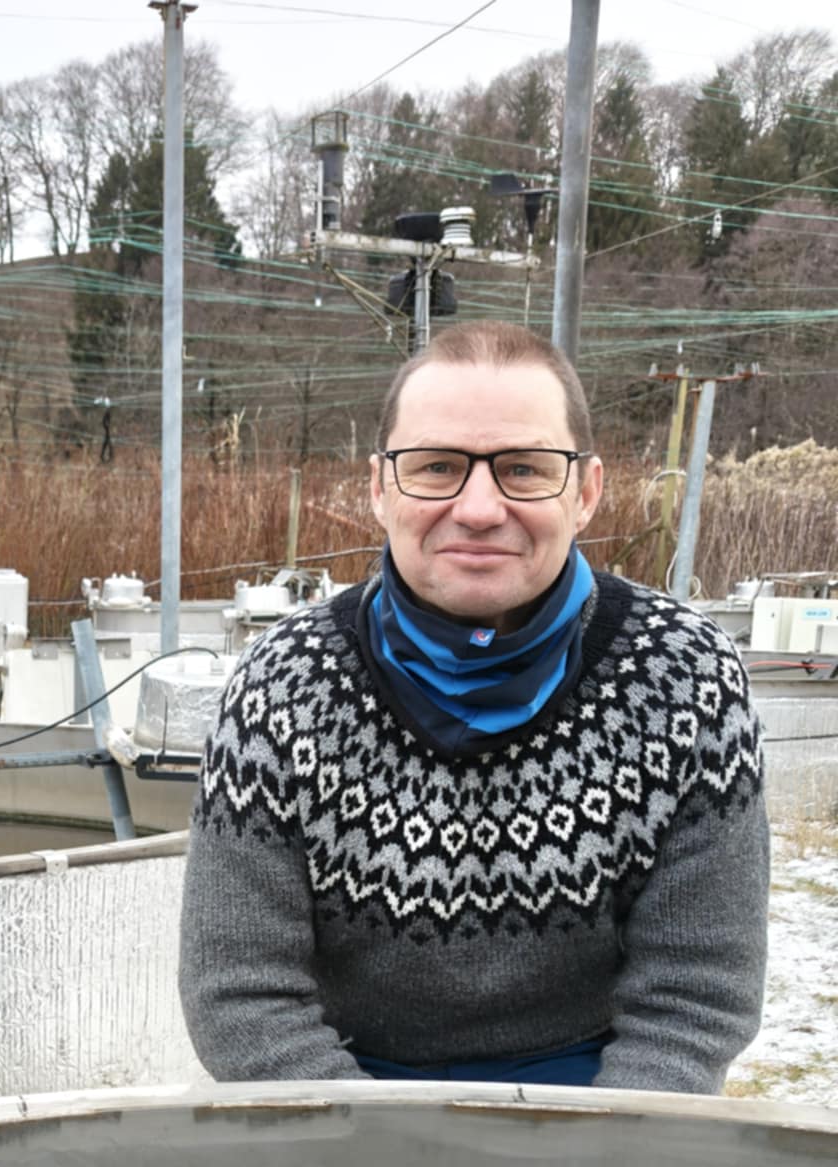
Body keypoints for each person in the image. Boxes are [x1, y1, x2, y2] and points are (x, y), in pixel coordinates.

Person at [179, 322, 768, 1092]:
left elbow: (694, 1000)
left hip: (602, 1101)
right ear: (380, 488)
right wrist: (378, 1149)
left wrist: (600, 1150)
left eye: (524, 468)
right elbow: (240, 998)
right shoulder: (281, 685)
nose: (481, 508)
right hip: (338, 1098)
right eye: (437, 467)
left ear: (586, 493)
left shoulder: (686, 676)